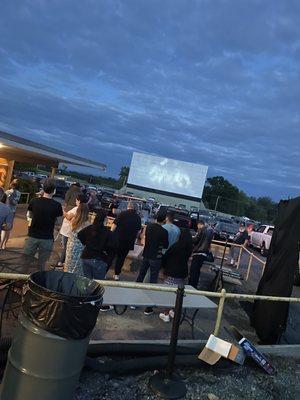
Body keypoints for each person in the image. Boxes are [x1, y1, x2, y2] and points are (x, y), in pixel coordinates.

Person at [24, 179, 63, 270]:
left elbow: (29, 215)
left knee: (26, 261)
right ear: (54, 191)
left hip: (32, 235)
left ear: (43, 189)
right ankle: (37, 281)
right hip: (47, 238)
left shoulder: (34, 201)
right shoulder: (57, 205)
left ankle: (21, 279)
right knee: (42, 263)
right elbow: (58, 222)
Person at [136, 213, 169, 315]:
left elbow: (144, 237)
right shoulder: (164, 231)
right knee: (153, 281)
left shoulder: (149, 227)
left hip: (146, 254)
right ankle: (148, 307)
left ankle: (133, 301)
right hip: (156, 257)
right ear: (164, 220)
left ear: (155, 219)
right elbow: (165, 245)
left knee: (140, 276)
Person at [159, 228, 193, 322]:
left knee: (168, 294)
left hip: (171, 272)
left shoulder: (176, 246)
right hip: (182, 273)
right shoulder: (189, 248)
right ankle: (173, 311)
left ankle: (166, 314)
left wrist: (163, 267)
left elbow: (166, 257)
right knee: (177, 294)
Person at [109, 201, 142, 280]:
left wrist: (110, 236)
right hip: (128, 242)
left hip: (117, 240)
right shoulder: (138, 218)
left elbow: (113, 226)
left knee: (111, 256)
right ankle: (116, 275)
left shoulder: (122, 214)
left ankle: (104, 272)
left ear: (128, 206)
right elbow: (138, 232)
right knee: (121, 258)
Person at [78, 210, 114, 280]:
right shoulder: (108, 233)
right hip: (99, 259)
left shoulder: (90, 228)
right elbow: (111, 248)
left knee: (87, 281)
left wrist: (85, 243)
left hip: (86, 256)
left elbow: (79, 234)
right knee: (98, 283)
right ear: (104, 220)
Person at [58, 193, 87, 267]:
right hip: (68, 230)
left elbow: (68, 217)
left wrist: (63, 211)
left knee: (65, 247)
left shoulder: (77, 209)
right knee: (66, 247)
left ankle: (61, 262)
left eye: (76, 200)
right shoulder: (80, 209)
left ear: (79, 200)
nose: (75, 201)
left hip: (68, 231)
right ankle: (64, 262)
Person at [64, 203, 90, 276]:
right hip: (80, 248)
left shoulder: (74, 221)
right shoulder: (88, 224)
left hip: (71, 245)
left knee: (68, 265)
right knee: (77, 268)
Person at [188, 220, 214, 289]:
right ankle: (195, 286)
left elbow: (196, 240)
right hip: (204, 253)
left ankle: (190, 286)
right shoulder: (210, 231)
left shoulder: (201, 230)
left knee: (193, 271)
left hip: (198, 252)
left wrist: (191, 238)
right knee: (197, 271)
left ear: (199, 224)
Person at [1, 180, 21, 249]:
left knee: (6, 229)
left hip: (9, 212)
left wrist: (9, 197)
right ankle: (3, 244)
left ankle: (3, 244)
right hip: (9, 212)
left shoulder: (14, 193)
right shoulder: (8, 192)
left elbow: (14, 203)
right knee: (6, 229)